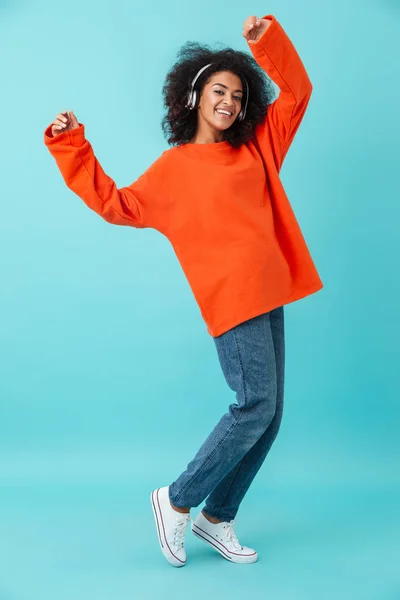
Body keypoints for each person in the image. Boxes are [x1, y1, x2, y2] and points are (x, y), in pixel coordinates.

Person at [44, 13, 323, 568]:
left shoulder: (258, 148)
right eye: (219, 90)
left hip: (271, 292)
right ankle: (176, 500)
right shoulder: (173, 170)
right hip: (232, 299)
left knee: (270, 413)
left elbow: (298, 91)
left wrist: (264, 40)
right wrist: (71, 143)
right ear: (195, 96)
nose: (229, 102)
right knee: (254, 405)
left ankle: (217, 518)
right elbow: (115, 204)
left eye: (239, 95)